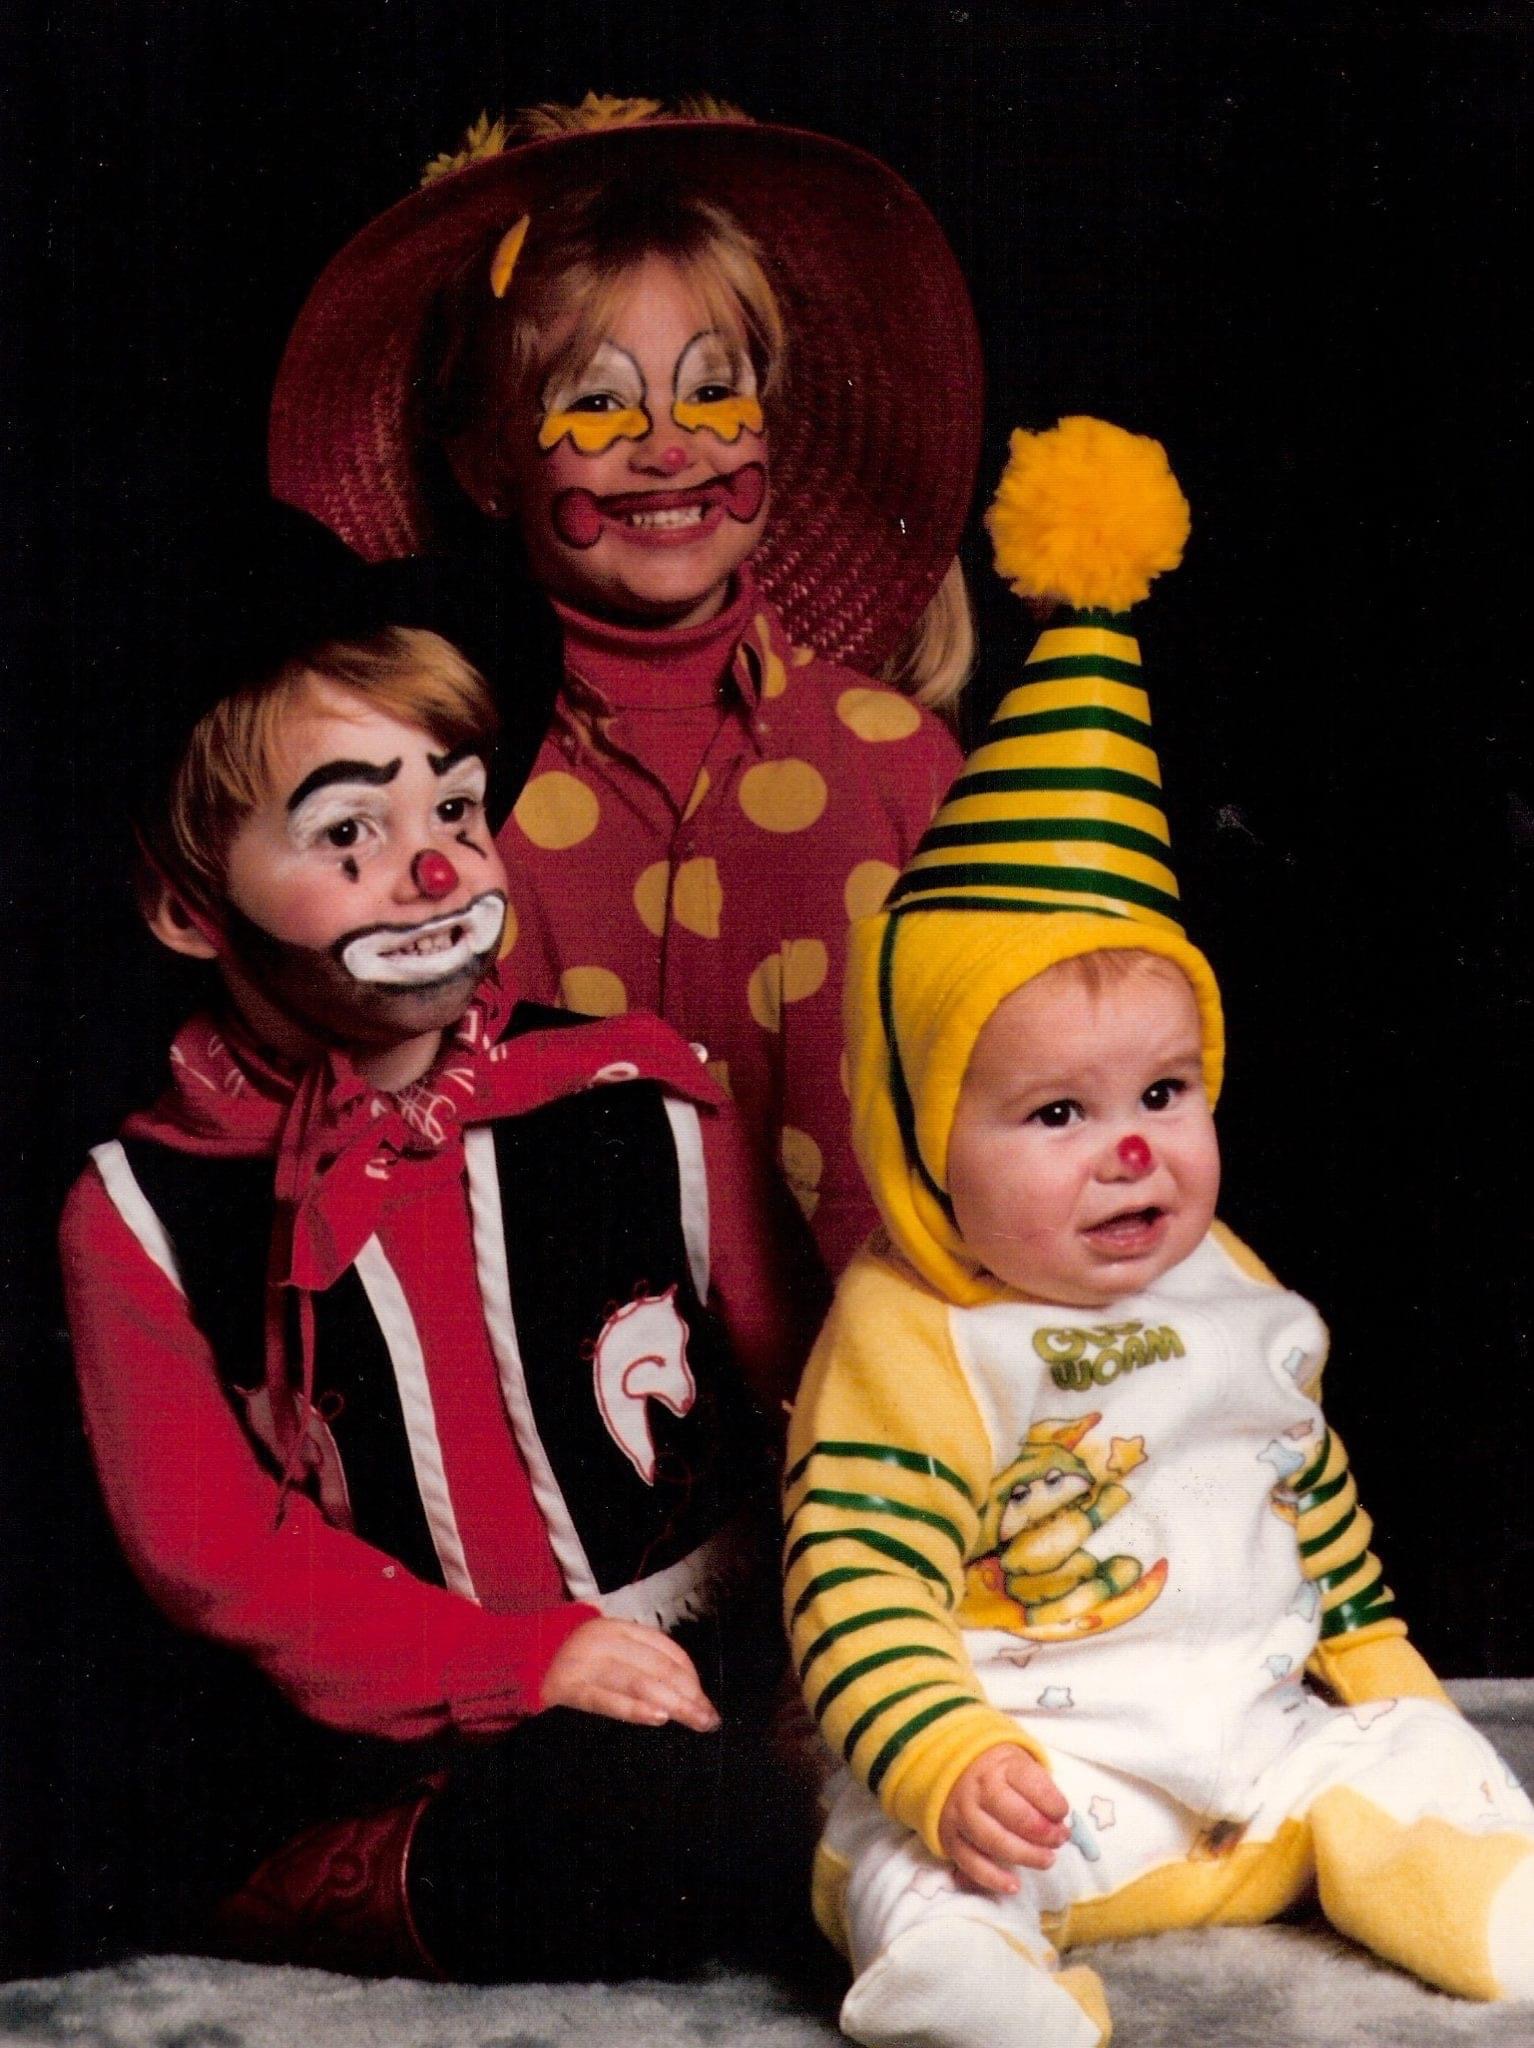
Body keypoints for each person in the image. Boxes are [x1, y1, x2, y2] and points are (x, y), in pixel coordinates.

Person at [783, 419, 1534, 2045]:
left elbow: (1308, 1498)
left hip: (1253, 1756)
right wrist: (943, 1757)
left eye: (1164, 1091)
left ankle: (1488, 1895)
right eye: (1054, 1113)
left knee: (1410, 1757)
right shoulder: (919, 1331)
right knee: (901, 1855)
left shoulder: (1231, 1283)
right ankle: (966, 1976)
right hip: (1037, 1775)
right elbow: (854, 1579)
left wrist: (1387, 1682)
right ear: (923, 1144)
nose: (1131, 1148)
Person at [58, 512, 827, 1980]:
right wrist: (521, 1662)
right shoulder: (138, 1210)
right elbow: (219, 1557)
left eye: (456, 811)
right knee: (621, 1829)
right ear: (184, 904)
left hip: (721, 1668)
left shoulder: (641, 1092)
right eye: (347, 832)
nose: (430, 872)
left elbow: (816, 1388)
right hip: (410, 1744)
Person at [268, 92, 985, 1276]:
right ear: (485, 463)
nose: (668, 446)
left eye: (711, 391)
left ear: (771, 423)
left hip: (885, 1381)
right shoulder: (433, 793)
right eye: (596, 403)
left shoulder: (903, 766)